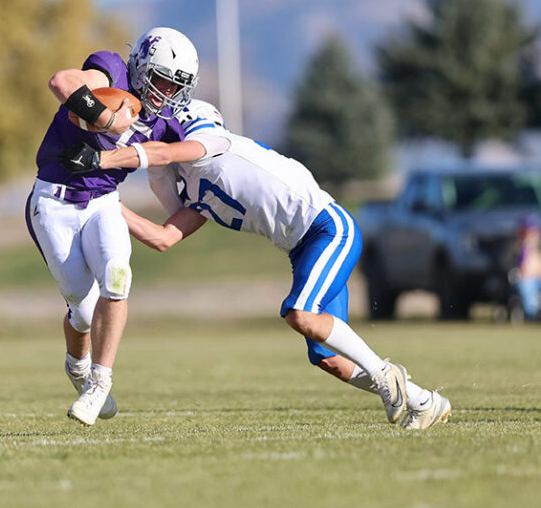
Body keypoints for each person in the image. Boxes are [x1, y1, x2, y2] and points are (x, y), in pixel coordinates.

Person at [58, 99, 451, 430]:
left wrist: (102, 159)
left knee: (298, 313)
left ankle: (386, 375)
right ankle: (423, 402)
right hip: (303, 249)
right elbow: (163, 237)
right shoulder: (196, 188)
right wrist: (106, 203)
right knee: (327, 357)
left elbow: (163, 153)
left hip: (329, 228)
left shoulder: (213, 142)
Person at [26, 27, 199, 426]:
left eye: (175, 86)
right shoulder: (113, 72)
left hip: (104, 204)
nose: (165, 92)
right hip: (53, 201)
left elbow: (187, 150)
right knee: (83, 313)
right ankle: (78, 368)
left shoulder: (168, 119)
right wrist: (107, 119)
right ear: (141, 67)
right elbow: (63, 81)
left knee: (118, 278)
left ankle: (100, 381)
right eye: (160, 80)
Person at [515, 214, 541, 320]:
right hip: (526, 280)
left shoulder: (538, 248)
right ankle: (532, 315)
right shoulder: (516, 248)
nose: (530, 235)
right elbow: (523, 270)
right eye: (526, 232)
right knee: (526, 286)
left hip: (537, 278)